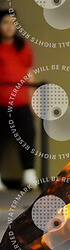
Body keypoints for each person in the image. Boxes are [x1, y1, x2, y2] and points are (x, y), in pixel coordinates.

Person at [0, 10, 38, 190]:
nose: (9, 26)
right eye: (5, 22)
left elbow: (29, 74)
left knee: (28, 135)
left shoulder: (23, 47)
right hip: (1, 103)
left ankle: (29, 175)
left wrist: (33, 102)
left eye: (13, 23)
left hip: (21, 102)